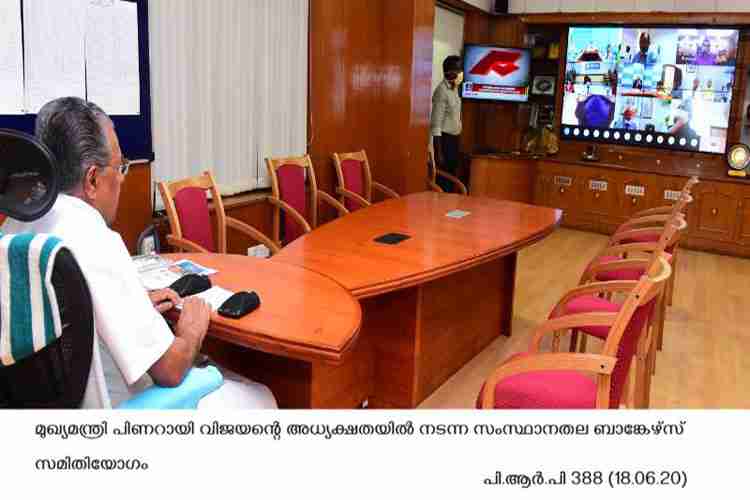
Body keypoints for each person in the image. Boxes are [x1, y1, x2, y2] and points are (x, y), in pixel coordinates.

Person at [0, 97, 277, 409]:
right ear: (92, 179)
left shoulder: (15, 224)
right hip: (120, 414)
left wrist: (132, 305)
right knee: (261, 396)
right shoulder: (92, 236)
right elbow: (170, 370)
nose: (121, 178)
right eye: (120, 167)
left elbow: (58, 316)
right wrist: (191, 331)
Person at [431, 55, 463, 193]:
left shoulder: (454, 88)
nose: (461, 72)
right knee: (444, 181)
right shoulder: (441, 91)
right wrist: (439, 153)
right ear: (450, 71)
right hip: (444, 141)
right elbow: (436, 125)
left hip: (454, 140)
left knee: (451, 179)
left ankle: (448, 209)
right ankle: (440, 210)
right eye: (459, 69)